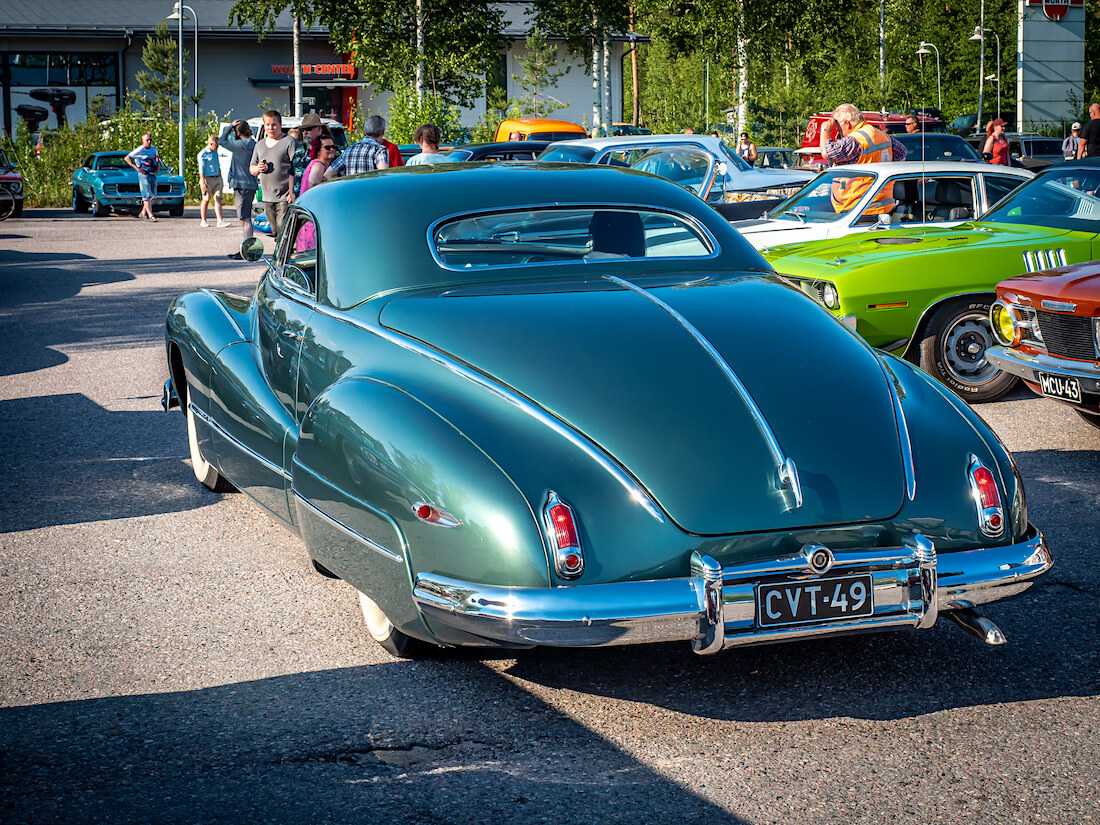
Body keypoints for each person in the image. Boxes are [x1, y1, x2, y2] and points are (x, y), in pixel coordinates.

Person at [819, 103, 907, 215]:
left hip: (858, 209)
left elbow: (827, 152)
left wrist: (825, 131)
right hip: (883, 207)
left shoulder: (855, 140)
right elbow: (902, 153)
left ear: (846, 123)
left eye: (838, 128)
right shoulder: (881, 135)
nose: (838, 132)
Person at [249, 109, 297, 237]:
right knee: (274, 230)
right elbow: (252, 169)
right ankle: (280, 252)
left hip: (284, 195)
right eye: (267, 125)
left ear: (280, 124)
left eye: (274, 124)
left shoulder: (289, 142)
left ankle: (284, 255)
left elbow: (296, 168)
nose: (270, 128)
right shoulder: (259, 145)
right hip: (267, 196)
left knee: (283, 227)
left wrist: (292, 192)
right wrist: (258, 168)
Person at [219, 118, 258, 259]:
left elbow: (221, 141)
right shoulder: (254, 144)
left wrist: (229, 126)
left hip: (242, 185)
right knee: (245, 218)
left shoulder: (239, 145)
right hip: (251, 184)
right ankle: (246, 247)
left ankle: (247, 250)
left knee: (245, 218)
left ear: (237, 131)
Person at [295, 134, 336, 252]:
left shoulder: (316, 164)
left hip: (308, 218)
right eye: (327, 147)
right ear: (318, 151)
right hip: (313, 219)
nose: (332, 149)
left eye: (333, 146)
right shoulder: (318, 165)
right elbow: (313, 181)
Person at [324, 114, 389, 180]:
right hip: (371, 189)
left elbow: (328, 174)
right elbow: (383, 176)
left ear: (365, 130)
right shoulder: (380, 150)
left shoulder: (349, 149)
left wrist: (344, 184)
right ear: (383, 132)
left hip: (351, 189)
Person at [125, 132, 160, 222]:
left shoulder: (153, 149)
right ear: (143, 141)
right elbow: (127, 158)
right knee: (146, 194)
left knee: (153, 194)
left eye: (150, 140)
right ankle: (151, 215)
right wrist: (136, 168)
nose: (149, 142)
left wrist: (157, 169)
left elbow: (157, 159)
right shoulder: (140, 150)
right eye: (147, 140)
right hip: (144, 174)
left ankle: (143, 212)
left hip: (152, 173)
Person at [291, 112, 329, 196]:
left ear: (319, 129)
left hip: (318, 198)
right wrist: (291, 193)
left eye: (308, 129)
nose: (305, 132)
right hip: (299, 200)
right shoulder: (299, 150)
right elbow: (291, 172)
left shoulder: (329, 149)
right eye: (302, 130)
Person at [197, 134, 229, 228]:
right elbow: (201, 169)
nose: (217, 147)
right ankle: (203, 220)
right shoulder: (203, 154)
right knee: (206, 199)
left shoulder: (215, 152)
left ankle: (220, 220)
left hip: (217, 178)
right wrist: (202, 182)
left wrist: (220, 177)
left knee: (218, 198)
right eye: (216, 145)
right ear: (210, 144)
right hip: (207, 179)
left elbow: (217, 165)